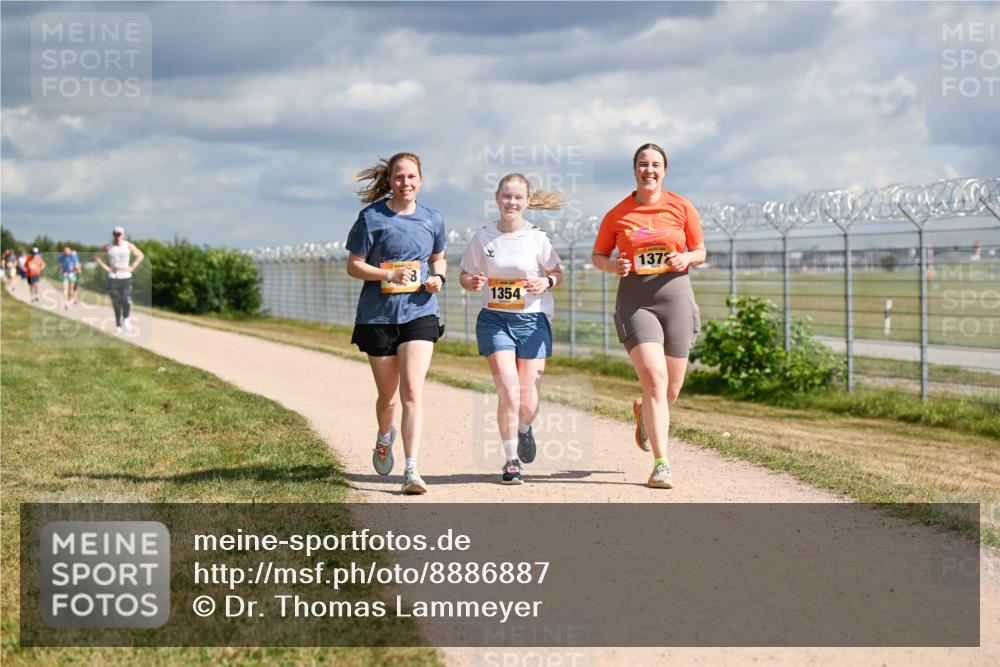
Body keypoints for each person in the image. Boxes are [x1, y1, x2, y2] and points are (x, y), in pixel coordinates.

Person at [591, 143, 706, 489]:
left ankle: (644, 412)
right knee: (654, 379)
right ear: (635, 170)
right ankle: (661, 464)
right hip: (636, 302)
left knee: (671, 387)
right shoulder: (618, 214)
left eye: (656, 165)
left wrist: (687, 259)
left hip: (677, 301)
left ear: (665, 171)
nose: (649, 170)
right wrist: (613, 265)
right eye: (643, 164)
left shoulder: (682, 207)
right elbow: (598, 254)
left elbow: (700, 250)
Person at [346, 152, 446, 495]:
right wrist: (388, 273)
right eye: (400, 177)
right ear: (390, 181)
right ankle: (384, 437)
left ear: (421, 180)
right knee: (388, 398)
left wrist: (439, 279)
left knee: (413, 391)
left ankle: (412, 469)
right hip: (378, 316)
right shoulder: (371, 218)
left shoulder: (432, 219)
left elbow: (438, 258)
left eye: (412, 177)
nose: (406, 183)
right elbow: (354, 265)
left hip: (420, 311)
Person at [459, 173, 563, 485]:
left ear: (527, 202)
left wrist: (546, 281)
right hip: (495, 320)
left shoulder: (537, 238)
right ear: (497, 199)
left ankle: (524, 428)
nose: (512, 202)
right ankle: (510, 460)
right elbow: (466, 274)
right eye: (506, 196)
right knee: (508, 389)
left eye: (518, 197)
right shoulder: (483, 238)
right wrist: (472, 282)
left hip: (532, 321)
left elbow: (556, 272)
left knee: (528, 402)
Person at [95, 227, 145, 335]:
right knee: (116, 302)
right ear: (113, 235)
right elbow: (97, 256)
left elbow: (141, 255)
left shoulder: (128, 245)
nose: (118, 237)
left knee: (126, 299)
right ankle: (118, 325)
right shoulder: (109, 246)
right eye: (116, 234)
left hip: (125, 276)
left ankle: (126, 319)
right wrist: (106, 268)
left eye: (120, 234)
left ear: (123, 235)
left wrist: (132, 266)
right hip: (113, 276)